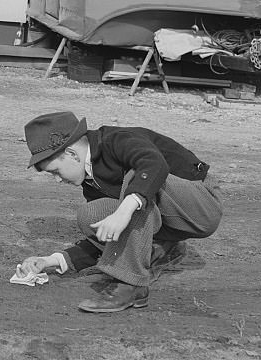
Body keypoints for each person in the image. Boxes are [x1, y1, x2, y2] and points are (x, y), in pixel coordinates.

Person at [19, 110, 222, 313]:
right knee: (90, 214)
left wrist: (124, 210)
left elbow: (154, 164)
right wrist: (53, 260)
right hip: (168, 221)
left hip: (202, 208)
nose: (57, 180)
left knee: (135, 176)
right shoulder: (91, 181)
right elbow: (108, 236)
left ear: (72, 154)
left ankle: (131, 285)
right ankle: (162, 248)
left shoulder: (116, 140)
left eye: (55, 171)